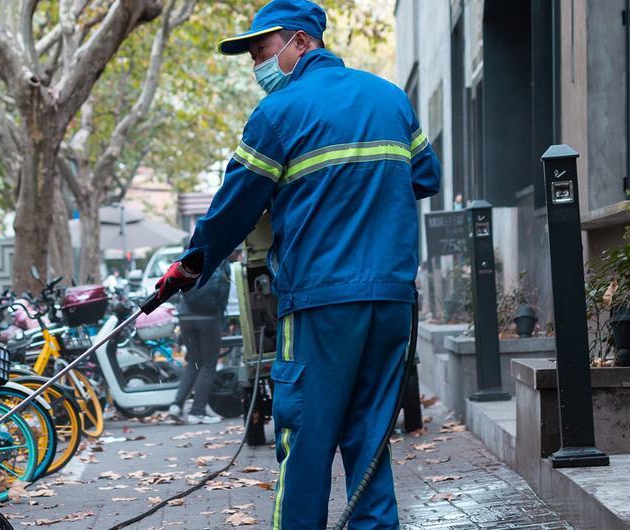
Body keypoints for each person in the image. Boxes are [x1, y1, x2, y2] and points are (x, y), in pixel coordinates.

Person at [154, 1, 441, 528]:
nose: (256, 65)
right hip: (392, 301)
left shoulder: (277, 114)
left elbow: (233, 209)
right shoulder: (390, 98)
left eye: (261, 50)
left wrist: (190, 266)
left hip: (319, 304)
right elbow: (426, 177)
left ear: (301, 41)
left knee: (305, 441)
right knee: (371, 442)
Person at [167, 263, 231, 425]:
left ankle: (176, 405)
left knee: (194, 361)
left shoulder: (190, 256)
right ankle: (197, 411)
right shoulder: (220, 260)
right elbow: (223, 292)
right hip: (208, 318)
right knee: (209, 364)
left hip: (185, 316)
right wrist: (222, 318)